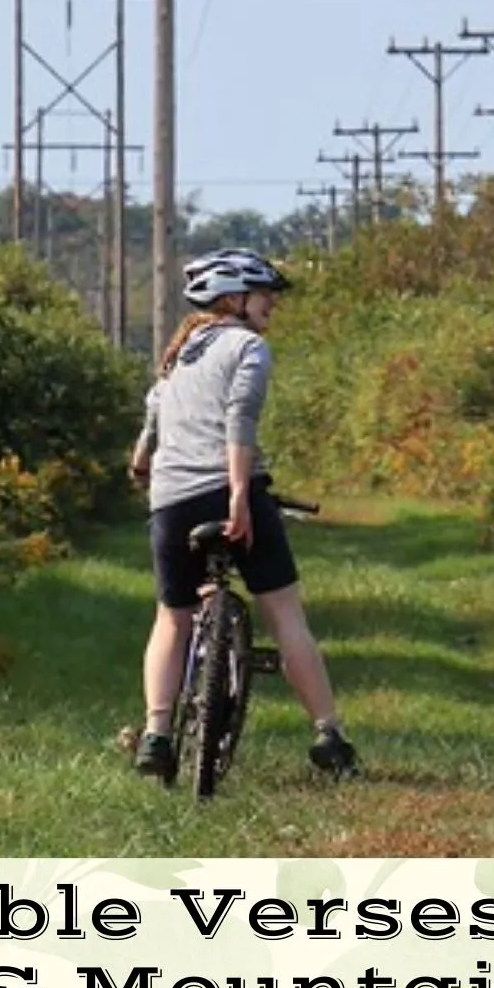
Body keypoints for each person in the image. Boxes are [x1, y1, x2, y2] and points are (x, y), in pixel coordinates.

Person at [127, 248, 358, 782]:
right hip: (229, 488)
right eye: (264, 294)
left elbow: (146, 444)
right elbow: (241, 419)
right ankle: (327, 734)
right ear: (234, 299)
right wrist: (237, 494)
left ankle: (157, 734)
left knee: (173, 616)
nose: (272, 304)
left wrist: (145, 471)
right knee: (284, 614)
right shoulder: (247, 347)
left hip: (171, 500)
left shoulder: (174, 360)